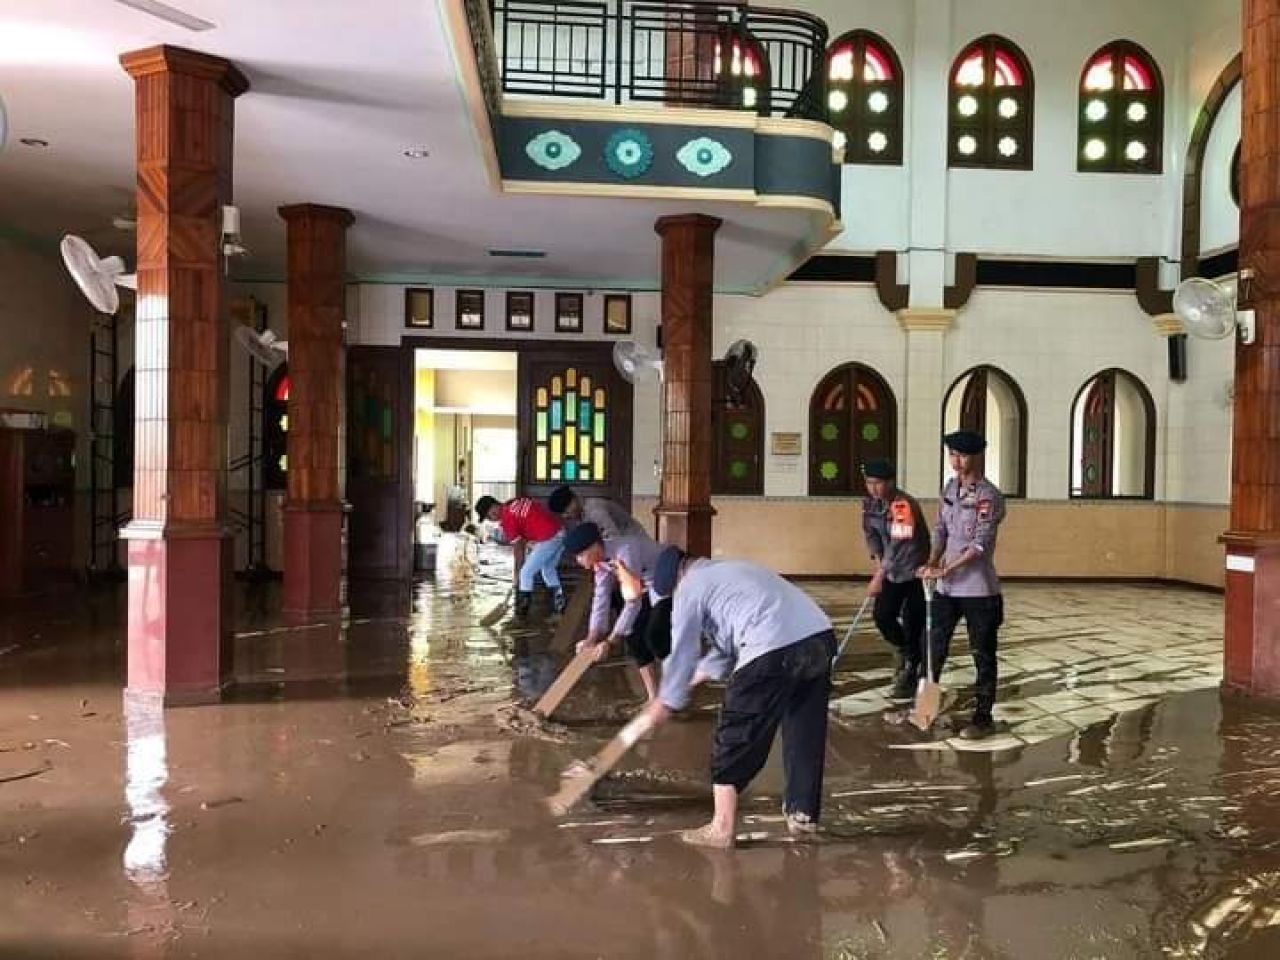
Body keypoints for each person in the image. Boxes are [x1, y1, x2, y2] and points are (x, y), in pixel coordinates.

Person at [640, 548, 836, 849]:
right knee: (804, 730)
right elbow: (726, 647)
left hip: (772, 645)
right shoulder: (730, 571)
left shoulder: (690, 587)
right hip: (819, 638)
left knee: (734, 730)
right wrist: (694, 679)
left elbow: (682, 650)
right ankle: (803, 816)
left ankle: (722, 828)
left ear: (678, 579)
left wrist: (667, 698)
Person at [917, 430, 1008, 740]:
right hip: (947, 589)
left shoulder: (988, 496)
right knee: (932, 648)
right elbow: (941, 529)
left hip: (978, 591)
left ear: (978, 456)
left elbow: (980, 544)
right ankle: (924, 709)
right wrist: (932, 562)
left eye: (962, 455)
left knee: (982, 653)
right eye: (952, 454)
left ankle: (983, 718)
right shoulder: (950, 489)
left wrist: (947, 569)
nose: (956, 461)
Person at [560, 521, 668, 701]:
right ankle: (653, 697)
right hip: (643, 588)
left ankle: (676, 692)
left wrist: (610, 641)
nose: (578, 561)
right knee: (633, 636)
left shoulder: (626, 551)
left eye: (580, 555)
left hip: (666, 585)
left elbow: (633, 602)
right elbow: (600, 598)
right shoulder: (600, 562)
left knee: (654, 635)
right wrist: (592, 637)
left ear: (595, 547)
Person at [860, 458, 931, 699]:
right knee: (882, 615)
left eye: (878, 483)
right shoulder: (870, 504)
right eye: (869, 483)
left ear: (890, 482)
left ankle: (912, 671)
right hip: (891, 569)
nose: (873, 488)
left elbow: (900, 544)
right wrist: (878, 561)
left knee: (914, 623)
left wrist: (879, 576)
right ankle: (904, 650)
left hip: (914, 570)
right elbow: (870, 534)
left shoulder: (902, 505)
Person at [475, 494, 566, 617]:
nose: (491, 518)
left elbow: (518, 548)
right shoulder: (513, 503)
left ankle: (522, 614)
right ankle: (559, 606)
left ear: (494, 506)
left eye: (488, 514)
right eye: (487, 517)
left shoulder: (507, 519)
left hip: (549, 537)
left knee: (525, 573)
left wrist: (516, 574)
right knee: (548, 569)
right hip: (560, 531)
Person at [547, 485, 647, 541]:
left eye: (566, 511)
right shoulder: (582, 516)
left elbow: (613, 538)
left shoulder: (595, 511)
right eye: (563, 514)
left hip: (634, 542)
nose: (566, 516)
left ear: (574, 501)